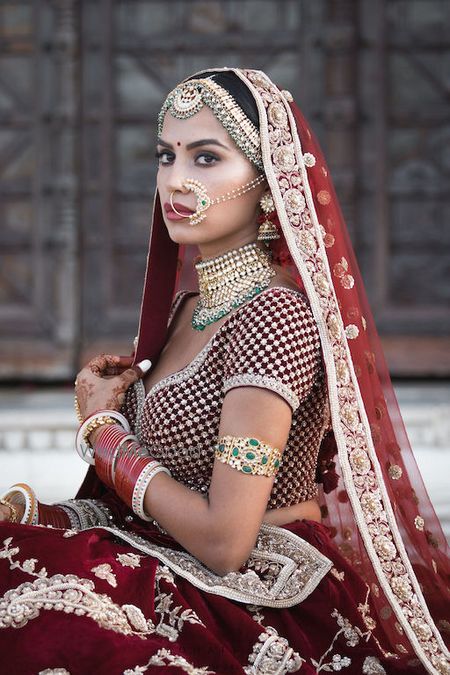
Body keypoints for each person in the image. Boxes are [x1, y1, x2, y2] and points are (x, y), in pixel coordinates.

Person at [0, 67, 448, 675]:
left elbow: (225, 541)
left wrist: (103, 436)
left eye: (207, 158)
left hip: (254, 594)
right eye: (167, 156)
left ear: (268, 185)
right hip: (170, 560)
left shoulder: (273, 320)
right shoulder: (191, 308)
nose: (176, 180)